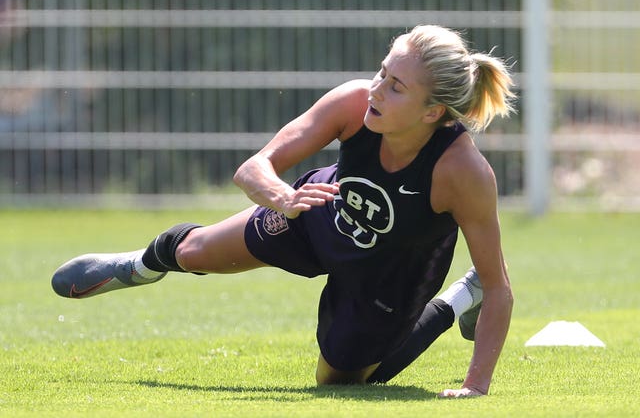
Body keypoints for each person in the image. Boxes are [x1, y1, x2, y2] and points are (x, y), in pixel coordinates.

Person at [52, 24, 515, 398]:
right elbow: (254, 168)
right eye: (381, 72)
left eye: (395, 87)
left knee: (340, 384)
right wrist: (281, 196)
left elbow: (500, 287)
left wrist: (474, 387)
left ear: (433, 112)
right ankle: (135, 265)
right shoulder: (355, 104)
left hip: (391, 268)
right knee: (194, 253)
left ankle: (457, 300)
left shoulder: (463, 172)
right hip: (312, 213)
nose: (376, 89)